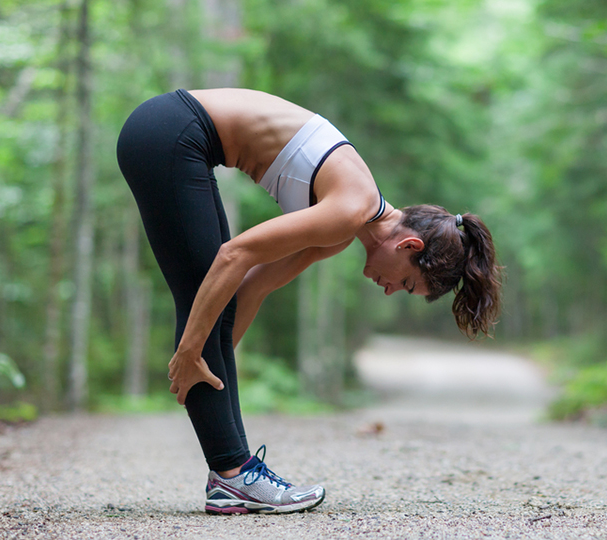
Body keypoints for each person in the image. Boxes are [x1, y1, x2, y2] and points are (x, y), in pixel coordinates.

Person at [116, 88, 502, 515]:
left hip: (171, 134)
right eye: (408, 284)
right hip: (172, 131)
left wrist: (217, 363)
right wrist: (191, 349)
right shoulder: (350, 208)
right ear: (409, 245)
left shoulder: (341, 228)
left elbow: (252, 287)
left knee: (212, 304)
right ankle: (233, 476)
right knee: (202, 295)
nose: (391, 290)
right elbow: (235, 255)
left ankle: (232, 475)